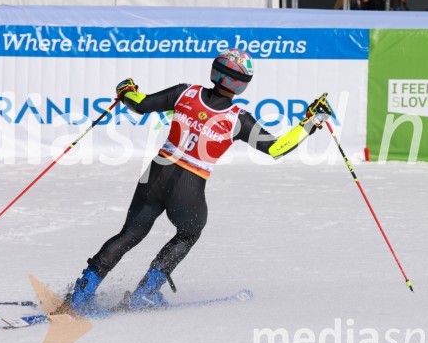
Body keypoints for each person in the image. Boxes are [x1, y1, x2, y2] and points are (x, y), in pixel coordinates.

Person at [56, 49, 332, 316]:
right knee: (188, 234)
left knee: (128, 235)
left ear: (215, 71)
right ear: (241, 85)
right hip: (189, 186)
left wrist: (126, 91)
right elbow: (277, 148)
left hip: (155, 175)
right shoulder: (238, 118)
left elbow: (140, 104)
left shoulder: (184, 92)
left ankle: (79, 296)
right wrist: (310, 122)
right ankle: (146, 293)